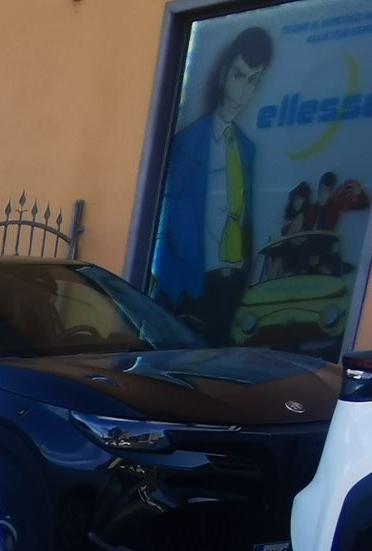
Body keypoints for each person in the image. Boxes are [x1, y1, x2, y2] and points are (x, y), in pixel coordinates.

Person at [152, 25, 273, 344]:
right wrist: (176, 289)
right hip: (191, 287)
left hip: (230, 286)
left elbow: (246, 216)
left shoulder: (246, 148)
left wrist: (243, 278)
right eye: (237, 76)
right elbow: (171, 216)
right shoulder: (187, 143)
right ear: (222, 74)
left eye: (252, 81)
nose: (241, 93)